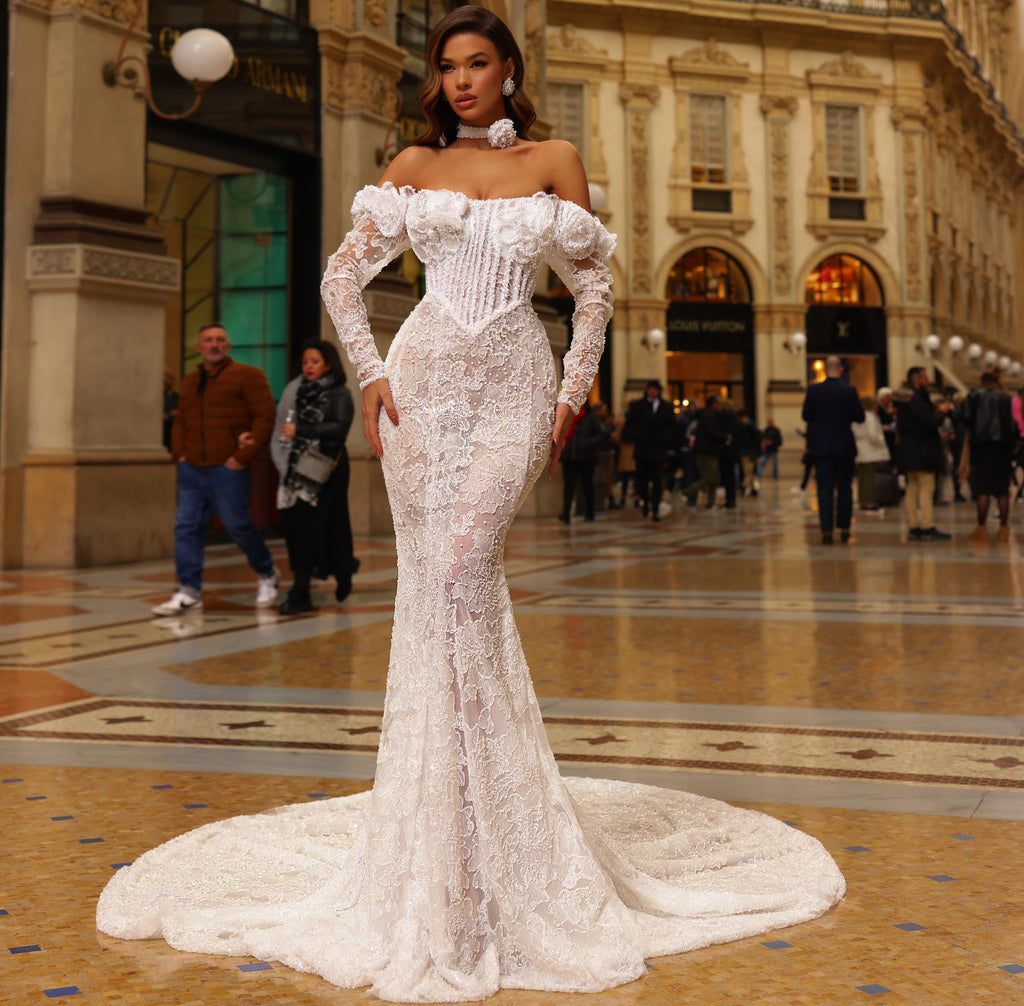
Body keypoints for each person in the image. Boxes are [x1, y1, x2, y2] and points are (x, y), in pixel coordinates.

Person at [100, 8, 843, 1000]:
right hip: (421, 385)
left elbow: (592, 291)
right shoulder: (412, 164)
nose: (459, 79)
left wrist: (575, 392)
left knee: (464, 570)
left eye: (476, 62)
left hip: (512, 391)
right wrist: (366, 374)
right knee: (436, 589)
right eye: (446, 65)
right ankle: (444, 836)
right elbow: (340, 276)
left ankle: (502, 835)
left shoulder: (555, 158)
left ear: (507, 69)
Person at [151, 324, 279, 615]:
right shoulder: (191, 380)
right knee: (186, 528)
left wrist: (242, 456)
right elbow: (181, 419)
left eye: (220, 340)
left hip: (228, 467)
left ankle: (267, 572)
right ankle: (188, 590)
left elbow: (265, 416)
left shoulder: (248, 376)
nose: (214, 344)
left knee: (237, 525)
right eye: (208, 340)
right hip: (192, 467)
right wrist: (179, 455)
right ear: (198, 347)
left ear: (228, 346)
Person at [270, 340, 359, 613]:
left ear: (328, 364)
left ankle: (341, 571)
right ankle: (301, 588)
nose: (308, 366)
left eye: (315, 361)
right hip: (295, 470)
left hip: (326, 470)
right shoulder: (293, 390)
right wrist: (282, 463)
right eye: (306, 361)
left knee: (329, 526)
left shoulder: (340, 393)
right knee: (298, 530)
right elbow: (280, 429)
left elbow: (339, 428)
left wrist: (302, 430)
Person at [801, 355, 865, 544]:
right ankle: (845, 528)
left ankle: (826, 532)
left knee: (824, 489)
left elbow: (806, 416)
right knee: (845, 488)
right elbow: (859, 417)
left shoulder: (814, 391)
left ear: (824, 370)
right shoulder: (849, 391)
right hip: (844, 445)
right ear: (841, 370)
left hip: (821, 446)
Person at [897, 366, 954, 541]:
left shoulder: (905, 397)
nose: (928, 381)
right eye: (925, 377)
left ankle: (914, 526)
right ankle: (927, 526)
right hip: (921, 450)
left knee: (913, 487)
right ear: (917, 379)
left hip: (909, 450)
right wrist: (942, 412)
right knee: (927, 487)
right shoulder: (915, 398)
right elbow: (928, 423)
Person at [963, 371, 1017, 544]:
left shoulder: (975, 397)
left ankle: (981, 529)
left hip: (982, 449)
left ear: (982, 382)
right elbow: (1013, 425)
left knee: (982, 490)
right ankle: (1003, 529)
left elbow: (965, 418)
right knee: (1002, 490)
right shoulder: (1007, 398)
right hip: (1002, 449)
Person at [622, 379, 676, 520]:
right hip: (642, 450)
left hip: (659, 450)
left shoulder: (666, 407)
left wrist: (666, 440)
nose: (652, 392)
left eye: (655, 389)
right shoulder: (638, 406)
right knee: (642, 481)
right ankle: (645, 503)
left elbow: (673, 428)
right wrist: (638, 437)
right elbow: (630, 425)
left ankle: (656, 509)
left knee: (658, 481)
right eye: (650, 389)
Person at [557, 400, 610, 522]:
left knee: (587, 486)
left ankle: (589, 513)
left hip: (586, 457)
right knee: (569, 487)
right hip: (570, 457)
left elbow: (603, 433)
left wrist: (588, 444)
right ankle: (566, 513)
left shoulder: (591, 417)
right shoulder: (567, 415)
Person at [684, 395, 729, 507]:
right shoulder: (708, 415)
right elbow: (711, 432)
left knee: (715, 478)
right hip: (707, 451)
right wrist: (725, 437)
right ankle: (689, 491)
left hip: (711, 451)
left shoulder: (711, 415)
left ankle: (710, 502)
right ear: (713, 404)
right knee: (709, 478)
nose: (720, 405)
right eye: (718, 403)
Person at [852, 396, 890, 511]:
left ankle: (862, 500)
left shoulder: (857, 416)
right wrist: (881, 443)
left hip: (860, 448)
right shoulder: (870, 417)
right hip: (870, 448)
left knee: (862, 477)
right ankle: (868, 502)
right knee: (869, 476)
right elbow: (873, 434)